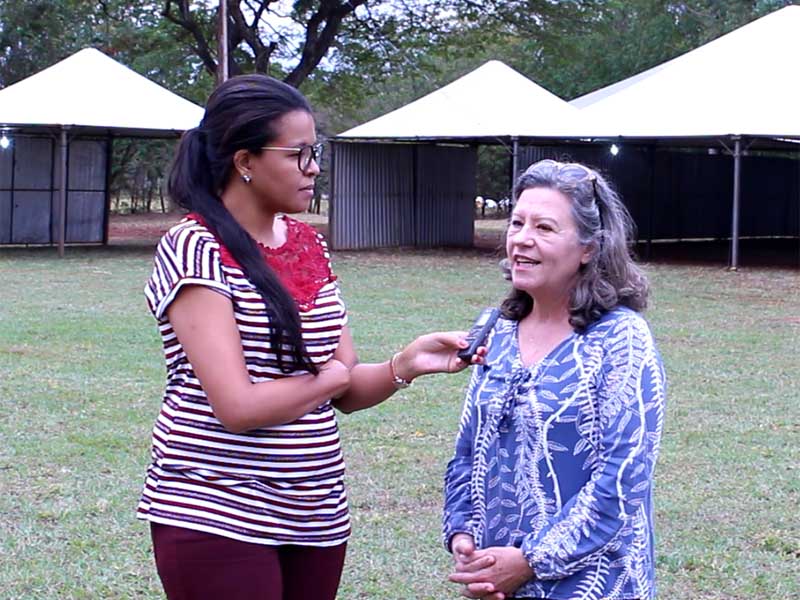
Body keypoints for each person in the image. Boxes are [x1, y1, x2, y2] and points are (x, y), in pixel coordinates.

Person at [137, 74, 478, 600]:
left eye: (314, 152)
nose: (314, 168)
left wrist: (405, 364)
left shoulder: (305, 244)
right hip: (215, 510)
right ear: (245, 161)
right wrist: (332, 378)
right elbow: (238, 406)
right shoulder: (194, 247)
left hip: (315, 514)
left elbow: (344, 389)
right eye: (298, 154)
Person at [443, 159, 667, 600]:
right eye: (517, 223)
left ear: (588, 248)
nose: (522, 239)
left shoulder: (621, 339)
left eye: (545, 228)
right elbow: (468, 450)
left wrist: (529, 562)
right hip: (497, 580)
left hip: (594, 584)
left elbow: (624, 480)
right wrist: (462, 533)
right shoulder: (496, 329)